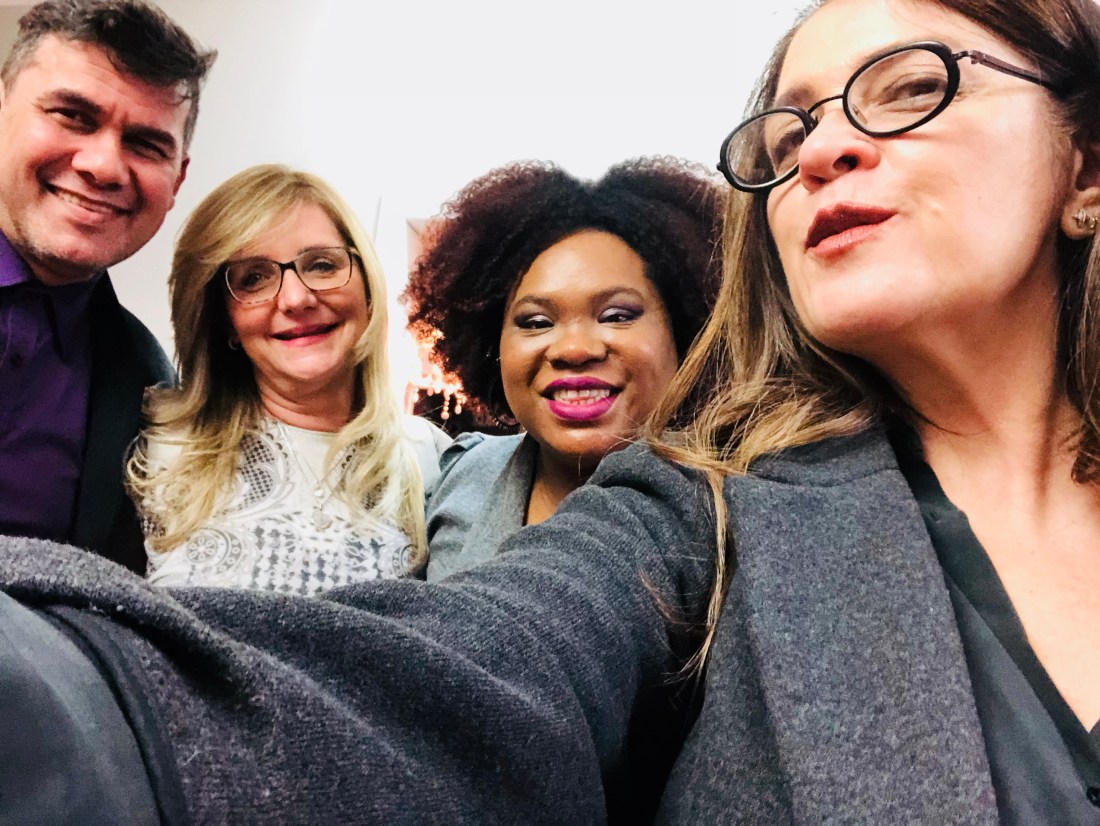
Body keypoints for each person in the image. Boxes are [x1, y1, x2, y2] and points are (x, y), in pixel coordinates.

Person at [1, 0, 1099, 822]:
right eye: (784, 136)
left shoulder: (417, 459)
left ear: (1085, 162)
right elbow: (484, 659)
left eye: (907, 89)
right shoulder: (703, 507)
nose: (817, 150)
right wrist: (71, 697)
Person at [126, 164, 450, 594]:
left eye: (322, 265)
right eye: (254, 278)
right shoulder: (155, 448)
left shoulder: (439, 461)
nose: (296, 298)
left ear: (367, 288)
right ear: (225, 321)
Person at [402, 158, 721, 581]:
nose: (574, 349)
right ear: (491, 345)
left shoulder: (737, 506)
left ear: (683, 332)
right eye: (536, 322)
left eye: (616, 315)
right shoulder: (461, 475)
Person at [0, 0, 214, 572]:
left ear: (177, 180)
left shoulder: (147, 385)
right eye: (72, 115)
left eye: (146, 144)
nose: (104, 165)